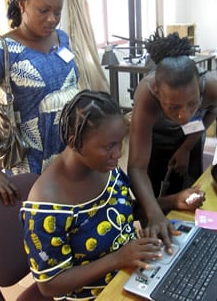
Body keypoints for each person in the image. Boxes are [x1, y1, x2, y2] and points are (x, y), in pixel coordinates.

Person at [20, 90, 163, 300]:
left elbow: (126, 210)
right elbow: (50, 285)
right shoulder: (46, 206)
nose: (118, 153)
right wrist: (119, 259)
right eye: (109, 146)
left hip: (131, 274)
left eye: (120, 142)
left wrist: (173, 200)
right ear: (74, 142)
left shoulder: (105, 168)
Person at [0, 0, 79, 206]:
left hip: (69, 151)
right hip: (29, 160)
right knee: (39, 224)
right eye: (43, 11)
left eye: (57, 12)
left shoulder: (61, 38)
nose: (52, 19)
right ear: (22, 5)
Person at [127, 33, 217, 251]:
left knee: (187, 185)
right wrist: (154, 213)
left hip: (190, 136)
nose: (185, 115)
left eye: (192, 104)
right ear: (157, 93)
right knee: (149, 196)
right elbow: (136, 166)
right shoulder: (146, 94)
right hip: (156, 135)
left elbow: (209, 115)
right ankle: (155, 229)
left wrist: (187, 147)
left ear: (200, 87)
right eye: (173, 107)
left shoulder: (215, 89)